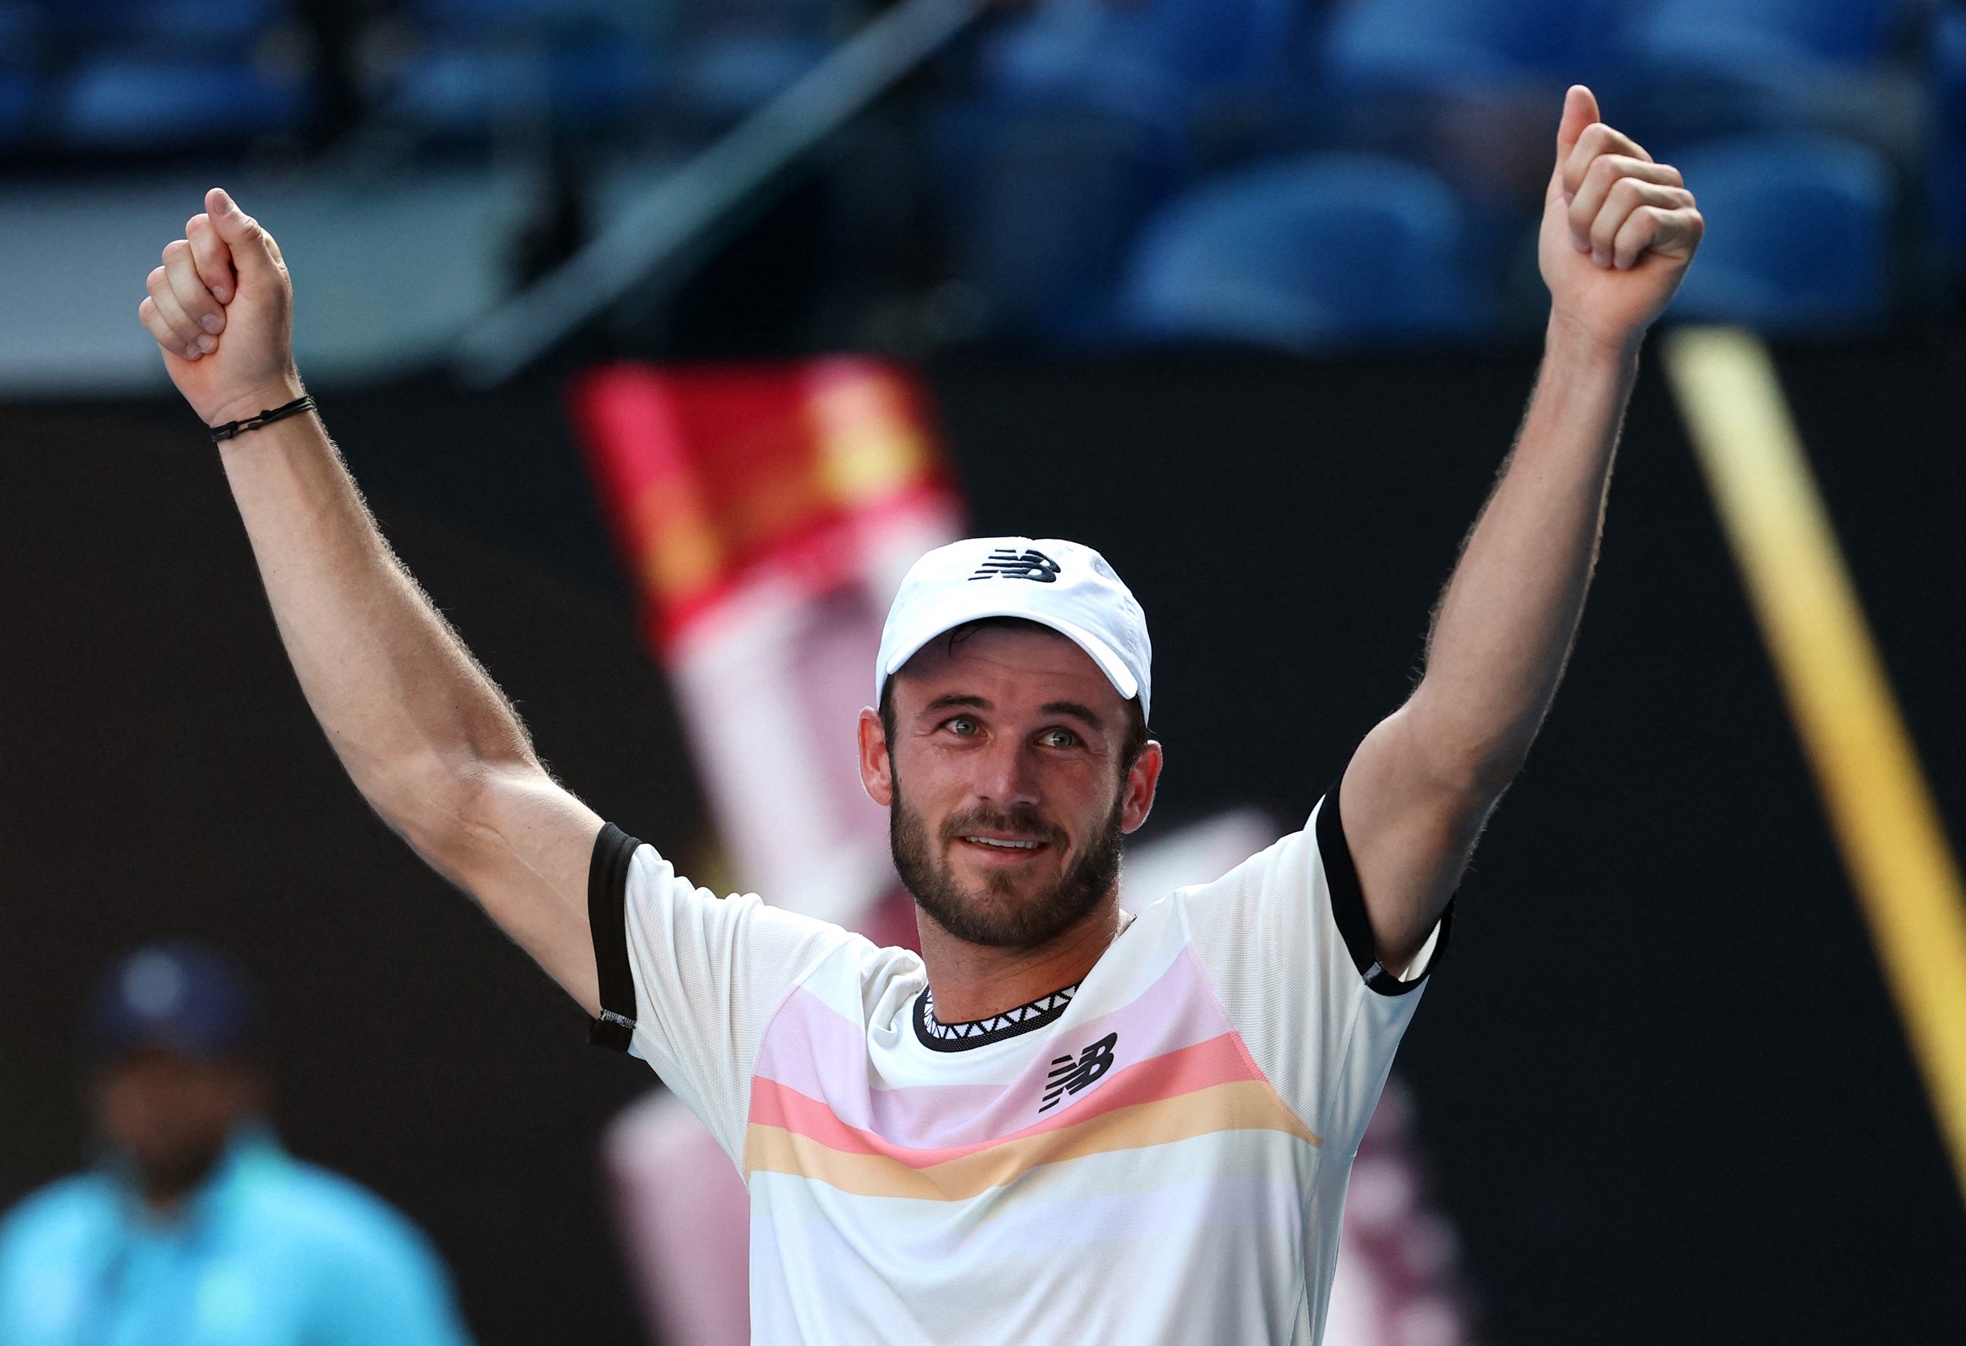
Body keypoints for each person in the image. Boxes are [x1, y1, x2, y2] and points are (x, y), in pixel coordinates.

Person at [133, 84, 1700, 1343]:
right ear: (876, 753)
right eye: (958, 722)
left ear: (1137, 783)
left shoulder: (1254, 975)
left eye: (1062, 732)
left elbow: (1456, 742)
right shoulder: (785, 1016)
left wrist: (1584, 349)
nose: (1005, 775)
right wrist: (258, 416)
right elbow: (454, 779)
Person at [0, 942, 473, 1346]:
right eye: (133, 1074)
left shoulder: (340, 1244)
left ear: (244, 1084)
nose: (155, 1100)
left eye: (181, 1073)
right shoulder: (39, 1241)